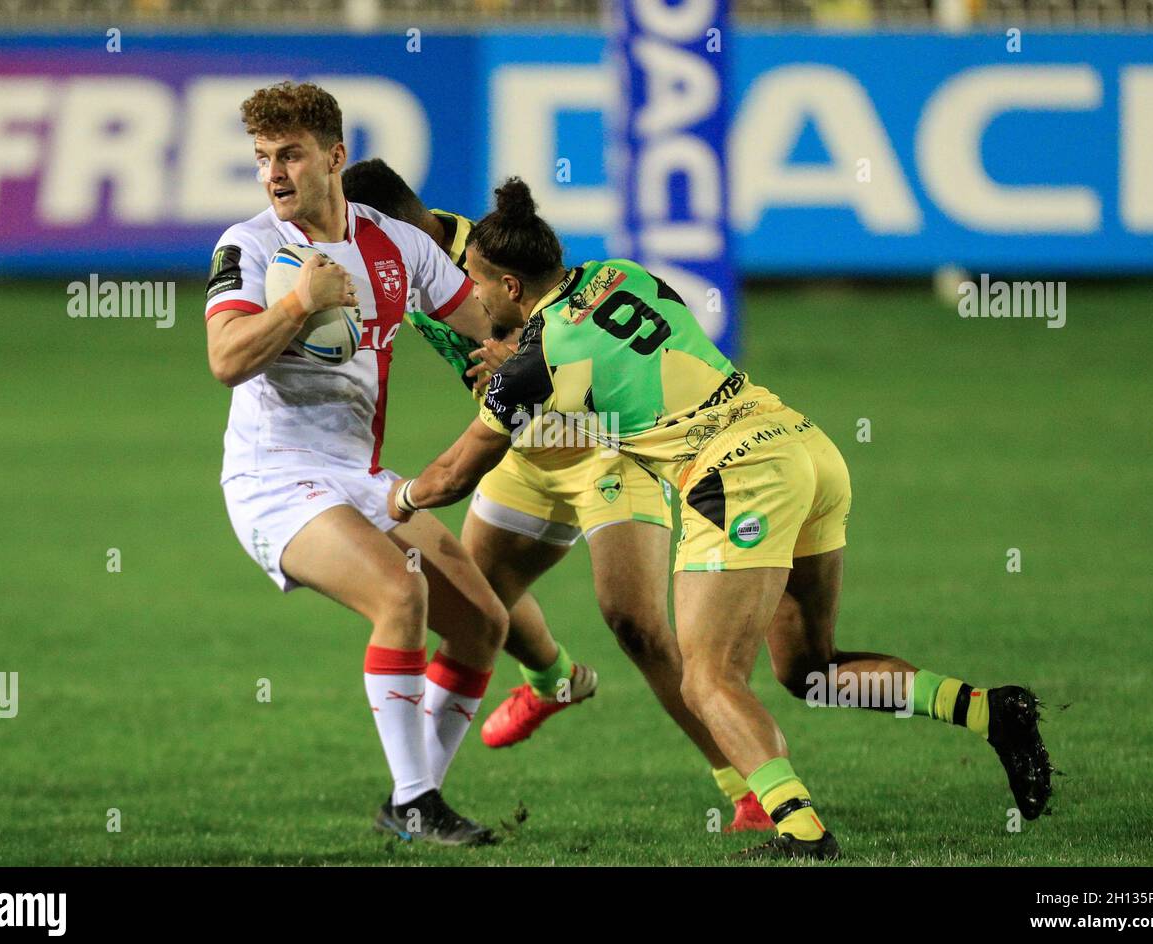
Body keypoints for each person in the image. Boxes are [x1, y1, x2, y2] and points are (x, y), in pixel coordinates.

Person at [386, 178, 1054, 859]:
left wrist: (394, 500)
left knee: (706, 679)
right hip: (803, 447)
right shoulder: (621, 273)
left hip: (733, 477)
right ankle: (989, 710)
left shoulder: (533, 365)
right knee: (808, 671)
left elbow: (452, 476)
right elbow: (618, 355)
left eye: (474, 281)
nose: (465, 293)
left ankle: (799, 831)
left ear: (508, 285)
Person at [341, 159, 772, 832]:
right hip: (519, 451)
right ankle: (446, 777)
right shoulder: (393, 267)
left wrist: (511, 357)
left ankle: (747, 788)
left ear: (379, 220)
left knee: (635, 623)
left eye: (348, 229)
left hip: (601, 443)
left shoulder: (484, 256)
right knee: (470, 610)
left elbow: (562, 320)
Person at [204, 83, 510, 846]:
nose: (275, 173)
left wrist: (514, 354)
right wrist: (296, 304)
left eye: (291, 155)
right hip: (272, 477)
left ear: (335, 157)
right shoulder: (246, 247)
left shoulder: (397, 247)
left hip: (357, 475)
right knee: (397, 594)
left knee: (481, 625)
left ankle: (416, 798)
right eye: (263, 158)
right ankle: (415, 802)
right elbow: (225, 361)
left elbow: (487, 327)